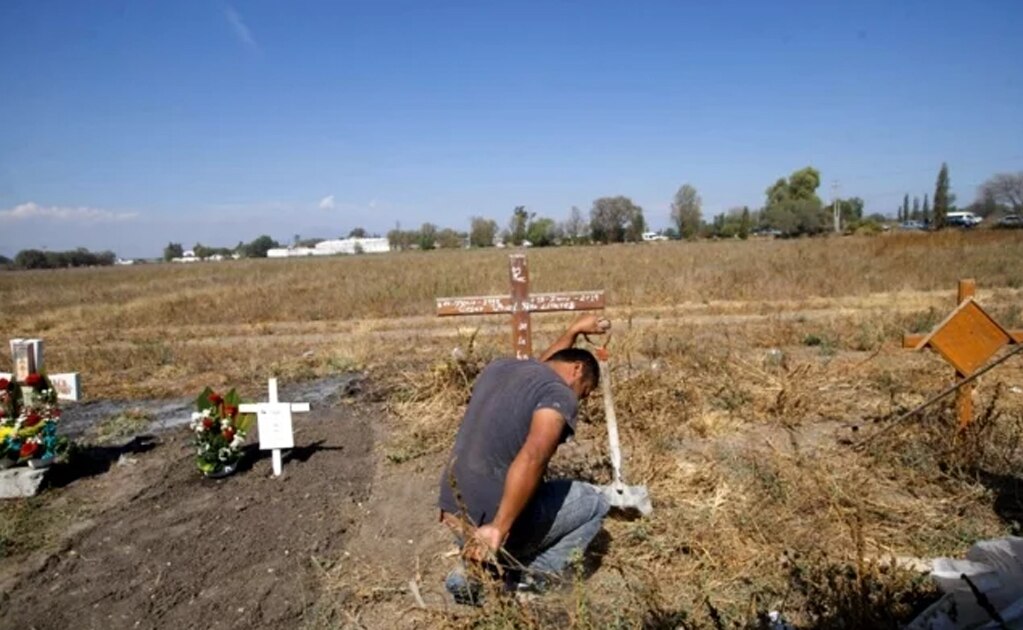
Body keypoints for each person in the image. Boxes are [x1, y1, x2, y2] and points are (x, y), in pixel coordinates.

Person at [437, 313, 611, 603]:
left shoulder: (503, 369)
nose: (582, 400)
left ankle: (477, 572)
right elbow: (534, 456)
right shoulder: (559, 394)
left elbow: (544, 366)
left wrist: (574, 330)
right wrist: (499, 528)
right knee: (596, 503)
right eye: (586, 392)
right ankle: (526, 581)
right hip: (490, 526)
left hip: (454, 514)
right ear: (578, 370)